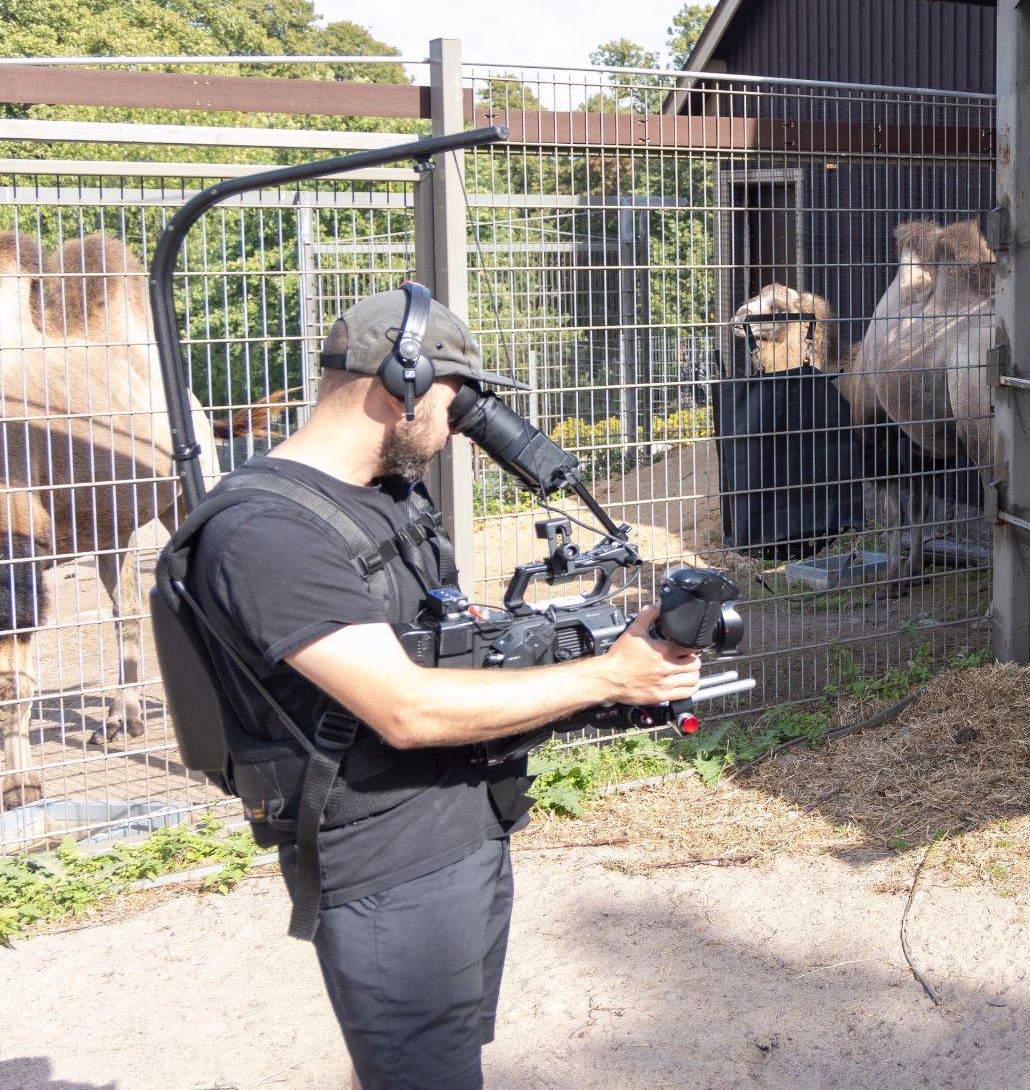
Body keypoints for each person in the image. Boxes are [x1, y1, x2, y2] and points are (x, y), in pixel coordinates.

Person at [179, 285, 701, 1090]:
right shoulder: (267, 536)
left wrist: (555, 638)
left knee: (434, 1063)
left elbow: (431, 633)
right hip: (389, 865)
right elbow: (406, 707)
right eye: (455, 400)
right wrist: (606, 675)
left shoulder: (384, 498)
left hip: (464, 826)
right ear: (403, 383)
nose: (461, 424)